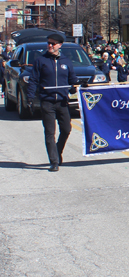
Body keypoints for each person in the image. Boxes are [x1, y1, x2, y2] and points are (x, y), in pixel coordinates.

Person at [26, 33, 79, 172]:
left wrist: (75, 86)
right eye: (49, 43)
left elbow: (72, 79)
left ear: (60, 45)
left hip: (62, 102)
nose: (50, 45)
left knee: (66, 129)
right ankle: (54, 161)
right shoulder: (41, 61)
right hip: (47, 102)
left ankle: (57, 150)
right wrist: (30, 97)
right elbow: (33, 80)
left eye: (53, 43)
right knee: (50, 132)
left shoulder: (66, 61)